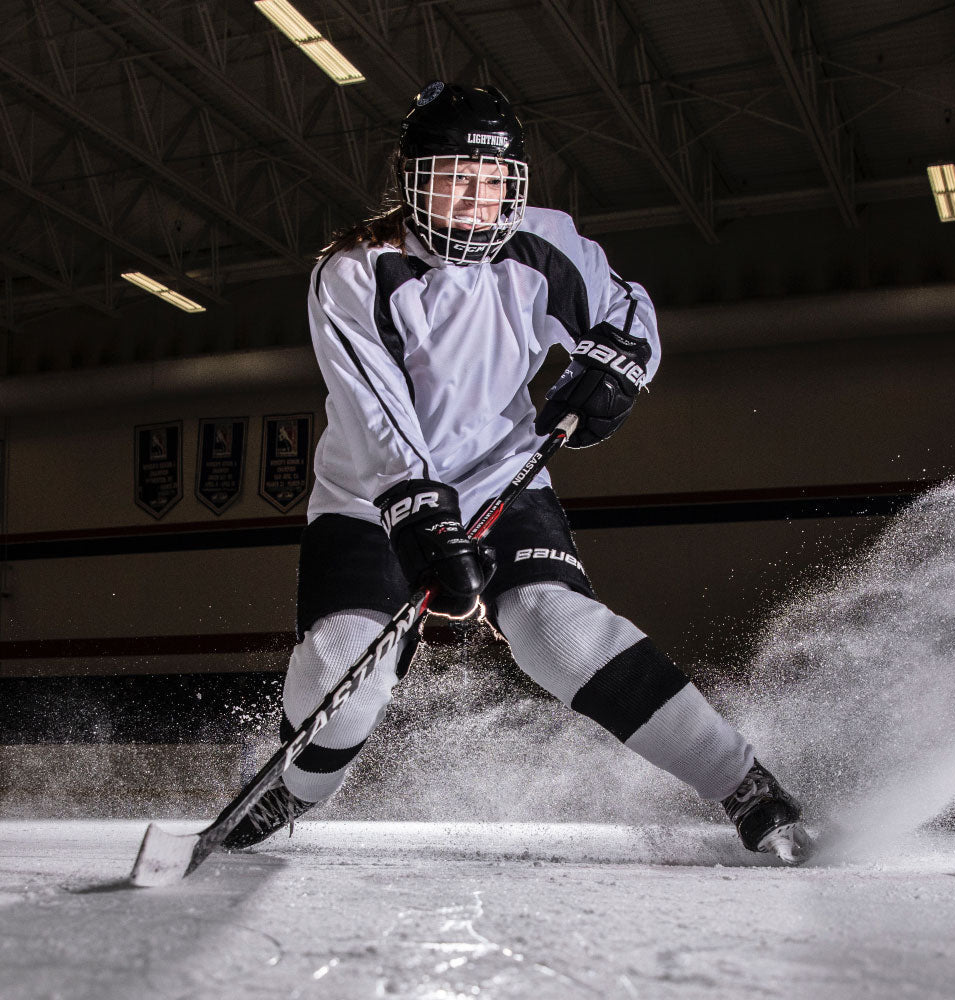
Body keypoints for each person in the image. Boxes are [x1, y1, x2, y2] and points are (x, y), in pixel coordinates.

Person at [224, 82, 812, 864]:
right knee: (345, 677)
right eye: (455, 178)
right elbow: (375, 410)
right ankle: (289, 790)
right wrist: (422, 513)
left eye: (495, 181)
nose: (477, 198)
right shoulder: (354, 272)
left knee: (554, 629)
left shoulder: (546, 242)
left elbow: (627, 311)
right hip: (372, 499)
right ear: (411, 178)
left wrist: (616, 367)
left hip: (503, 476)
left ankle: (745, 784)